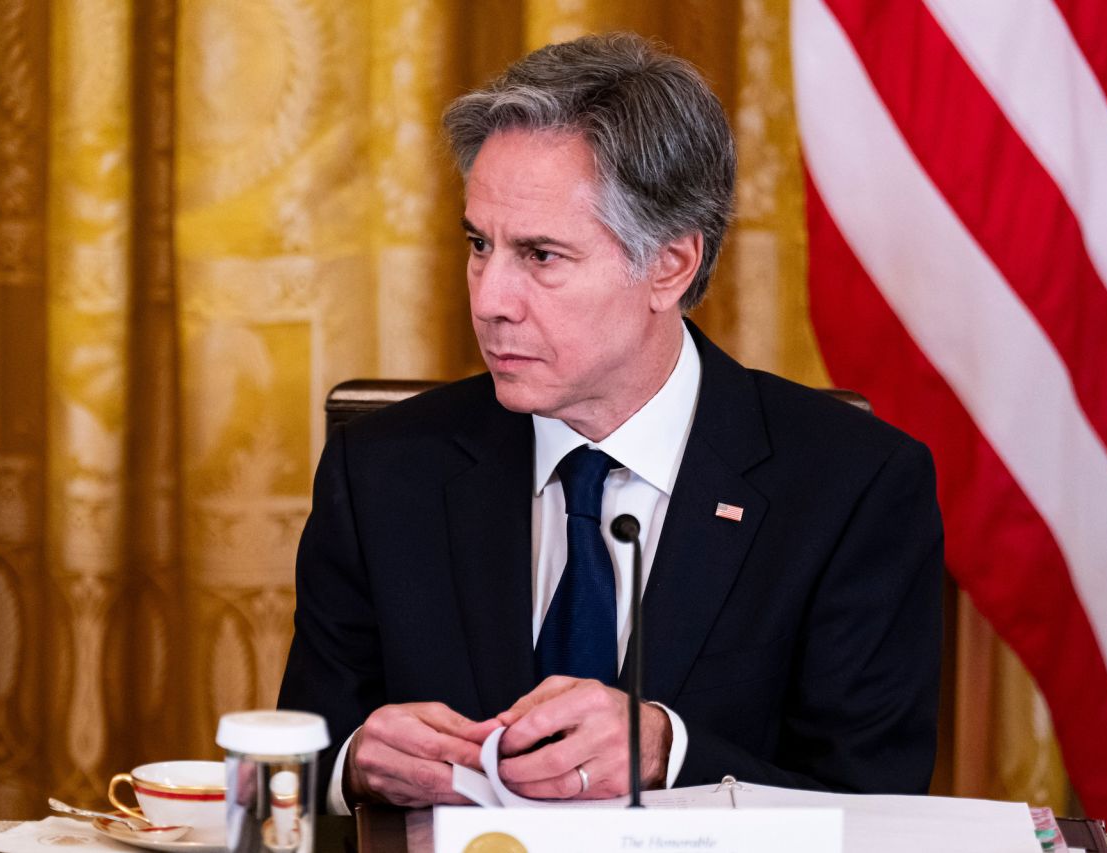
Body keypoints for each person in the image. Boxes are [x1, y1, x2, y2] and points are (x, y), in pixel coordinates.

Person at [278, 32, 943, 813]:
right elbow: (301, 751)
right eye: (478, 244)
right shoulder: (384, 469)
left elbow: (877, 809)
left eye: (541, 255)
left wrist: (672, 750)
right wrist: (353, 760)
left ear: (669, 265)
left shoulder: (853, 487)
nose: (490, 297)